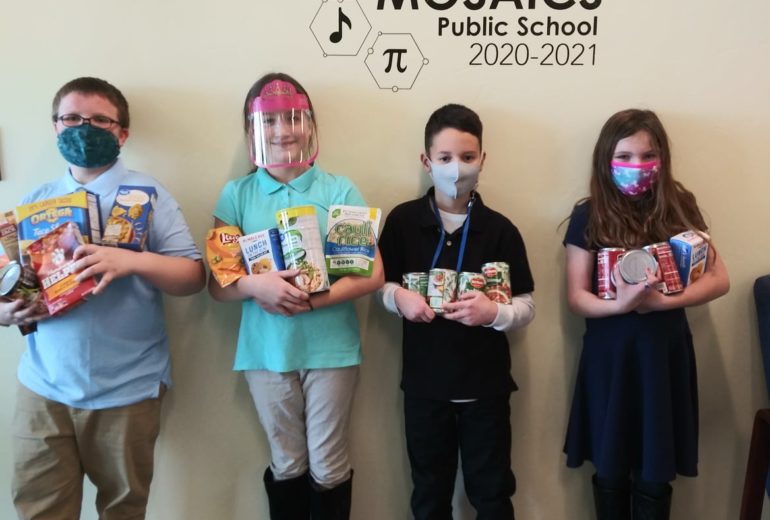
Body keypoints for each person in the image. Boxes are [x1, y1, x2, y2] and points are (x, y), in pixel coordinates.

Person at [0, 77, 206, 519]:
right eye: (71, 118)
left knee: (123, 511)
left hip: (128, 390)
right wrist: (7, 311)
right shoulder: (35, 202)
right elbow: (11, 282)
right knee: (38, 511)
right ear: (55, 128)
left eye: (99, 120)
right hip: (44, 388)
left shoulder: (148, 195)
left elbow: (192, 276)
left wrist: (130, 261)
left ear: (122, 133)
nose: (83, 128)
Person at [208, 72, 384, 520]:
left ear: (310, 124)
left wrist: (310, 301)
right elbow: (218, 283)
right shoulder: (237, 195)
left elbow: (372, 273)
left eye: (293, 118)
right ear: (251, 131)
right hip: (265, 352)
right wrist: (255, 285)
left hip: (331, 350)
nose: (282, 130)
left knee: (328, 466)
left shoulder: (338, 189)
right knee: (287, 464)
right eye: (269, 122)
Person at [562, 109, 730, 520]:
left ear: (662, 157)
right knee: (611, 465)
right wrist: (620, 306)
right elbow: (576, 297)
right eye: (625, 156)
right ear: (606, 159)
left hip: (663, 356)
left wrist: (663, 302)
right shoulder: (589, 213)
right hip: (610, 358)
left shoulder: (680, 206)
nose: (637, 166)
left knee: (656, 471)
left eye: (647, 155)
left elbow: (719, 279)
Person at [378, 103, 535, 520]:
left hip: (485, 388)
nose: (456, 169)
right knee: (429, 494)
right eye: (445, 158)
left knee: (492, 493)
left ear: (483, 159)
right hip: (425, 386)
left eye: (467, 158)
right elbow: (380, 283)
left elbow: (527, 304)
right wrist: (398, 299)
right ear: (426, 161)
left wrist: (494, 313)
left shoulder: (500, 229)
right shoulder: (402, 221)